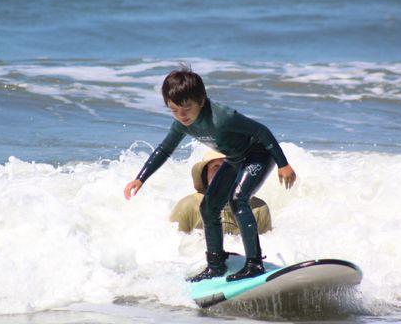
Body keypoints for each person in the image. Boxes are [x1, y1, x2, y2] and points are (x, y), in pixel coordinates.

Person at [124, 67, 296, 283]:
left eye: (186, 108)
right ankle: (215, 265)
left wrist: (283, 164)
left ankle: (254, 264)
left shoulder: (223, 117)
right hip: (235, 157)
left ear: (201, 101)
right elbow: (164, 150)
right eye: (174, 110)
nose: (182, 115)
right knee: (209, 206)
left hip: (259, 154)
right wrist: (140, 178)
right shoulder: (181, 125)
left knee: (238, 200)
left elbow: (262, 131)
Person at [170, 149, 272, 235]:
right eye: (216, 167)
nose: (223, 172)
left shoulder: (258, 208)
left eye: (229, 166)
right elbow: (173, 250)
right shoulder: (188, 206)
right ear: (205, 175)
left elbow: (266, 248)